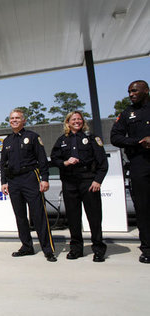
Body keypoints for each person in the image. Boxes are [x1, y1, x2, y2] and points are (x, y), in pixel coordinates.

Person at [51, 111, 108, 262]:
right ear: (68, 123)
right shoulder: (62, 140)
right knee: (73, 217)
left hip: (88, 182)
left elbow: (102, 163)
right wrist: (65, 162)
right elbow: (54, 159)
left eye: (79, 119)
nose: (76, 121)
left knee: (94, 217)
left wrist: (97, 181)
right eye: (73, 119)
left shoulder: (91, 138)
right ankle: (76, 248)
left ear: (83, 122)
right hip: (69, 182)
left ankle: (98, 249)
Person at [0, 109, 56, 262]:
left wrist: (44, 179)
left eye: (17, 118)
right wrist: (3, 182)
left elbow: (42, 160)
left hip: (30, 178)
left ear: (24, 120)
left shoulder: (32, 137)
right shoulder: (7, 141)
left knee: (38, 215)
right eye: (12, 118)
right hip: (13, 181)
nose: (14, 120)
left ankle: (48, 249)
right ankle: (27, 246)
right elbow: (3, 163)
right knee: (20, 217)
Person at [111, 80, 150, 264]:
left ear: (146, 90)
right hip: (139, 162)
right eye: (129, 91)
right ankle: (147, 248)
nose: (131, 94)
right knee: (143, 207)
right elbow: (115, 137)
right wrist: (137, 142)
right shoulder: (127, 113)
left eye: (134, 91)